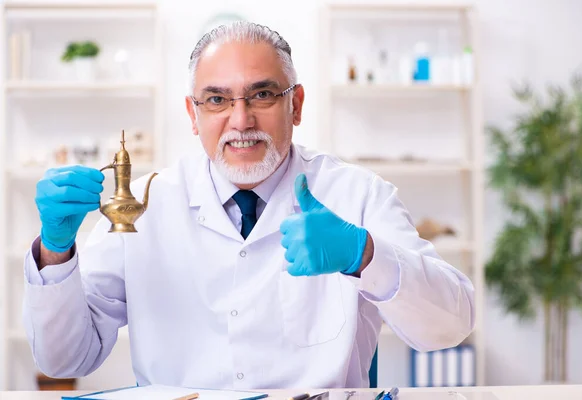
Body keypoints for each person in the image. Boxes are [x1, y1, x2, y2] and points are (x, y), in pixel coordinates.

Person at [23, 22, 474, 389]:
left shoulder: (357, 194)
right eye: (217, 100)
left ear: (295, 104)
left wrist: (367, 256)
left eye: (261, 95)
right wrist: (56, 250)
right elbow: (64, 359)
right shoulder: (143, 203)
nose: (241, 121)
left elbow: (450, 325)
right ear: (192, 114)